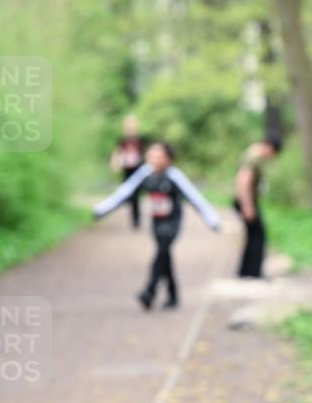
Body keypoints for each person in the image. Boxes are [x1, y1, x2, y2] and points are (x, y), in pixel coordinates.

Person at [93, 142, 220, 310]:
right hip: (157, 222)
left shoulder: (175, 176)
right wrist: (102, 209)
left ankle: (149, 291)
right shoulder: (145, 173)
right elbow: (125, 192)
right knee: (164, 255)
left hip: (172, 223)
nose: (154, 159)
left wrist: (212, 220)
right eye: (151, 155)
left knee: (161, 253)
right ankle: (173, 295)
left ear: (168, 159)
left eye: (158, 156)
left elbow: (195, 198)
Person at [234, 135, 282, 278]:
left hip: (247, 200)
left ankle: (246, 272)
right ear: (270, 147)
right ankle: (252, 272)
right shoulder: (253, 158)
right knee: (258, 236)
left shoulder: (253, 156)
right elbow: (243, 181)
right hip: (246, 201)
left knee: (253, 235)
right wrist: (247, 206)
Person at [108, 114, 147, 230]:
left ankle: (136, 221)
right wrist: (115, 164)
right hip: (126, 170)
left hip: (138, 171)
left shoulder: (140, 139)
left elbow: (144, 154)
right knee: (129, 195)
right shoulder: (122, 140)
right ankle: (133, 218)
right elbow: (117, 153)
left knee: (135, 196)